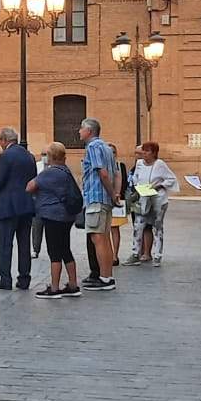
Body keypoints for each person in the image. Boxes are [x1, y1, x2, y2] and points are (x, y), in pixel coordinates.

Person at [28, 142, 83, 300]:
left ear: (50, 156)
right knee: (65, 249)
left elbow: (29, 187)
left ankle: (54, 287)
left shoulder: (49, 173)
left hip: (52, 216)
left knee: (54, 252)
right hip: (67, 216)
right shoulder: (65, 170)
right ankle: (73, 285)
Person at [0, 127, 37, 291]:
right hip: (26, 206)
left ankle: (5, 279)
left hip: (8, 206)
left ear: (4, 140)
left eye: (0, 141)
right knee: (24, 244)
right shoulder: (29, 156)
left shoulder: (5, 156)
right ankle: (24, 279)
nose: (0, 144)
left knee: (5, 244)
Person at [77, 118, 118, 292]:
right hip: (105, 199)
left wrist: (110, 193)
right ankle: (107, 275)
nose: (79, 131)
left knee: (97, 237)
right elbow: (115, 173)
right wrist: (115, 195)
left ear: (89, 131)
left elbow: (102, 173)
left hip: (96, 197)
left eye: (81, 128)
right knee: (104, 236)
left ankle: (105, 278)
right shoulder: (107, 148)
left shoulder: (93, 147)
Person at [123, 142, 178, 267]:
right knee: (138, 225)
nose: (144, 154)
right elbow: (136, 177)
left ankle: (157, 255)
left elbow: (171, 179)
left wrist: (159, 185)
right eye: (143, 151)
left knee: (157, 226)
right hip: (143, 197)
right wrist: (137, 188)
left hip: (158, 198)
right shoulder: (139, 164)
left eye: (147, 151)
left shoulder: (160, 164)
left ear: (154, 153)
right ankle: (135, 253)